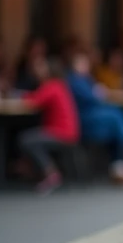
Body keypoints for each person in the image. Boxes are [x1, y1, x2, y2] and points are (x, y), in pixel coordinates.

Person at [67, 51, 123, 186]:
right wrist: (98, 93)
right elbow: (93, 98)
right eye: (82, 63)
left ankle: (119, 164)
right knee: (115, 117)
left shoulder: (85, 79)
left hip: (94, 118)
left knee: (115, 120)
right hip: (85, 120)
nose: (85, 66)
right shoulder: (74, 80)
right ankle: (119, 164)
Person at [20, 56, 79, 194]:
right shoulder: (60, 85)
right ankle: (31, 170)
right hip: (67, 132)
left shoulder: (52, 86)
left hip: (61, 133)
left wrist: (16, 95)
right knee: (31, 135)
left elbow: (33, 101)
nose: (37, 71)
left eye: (41, 68)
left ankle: (50, 172)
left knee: (27, 139)